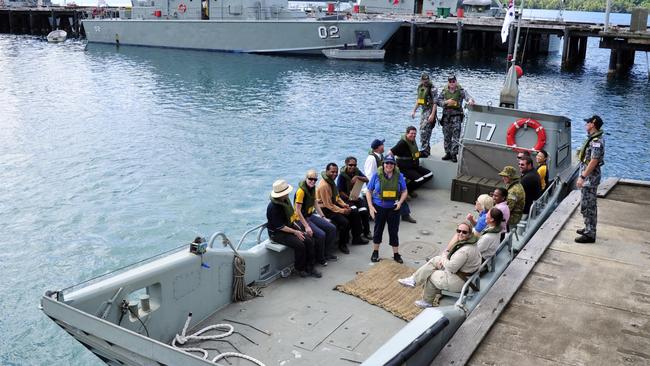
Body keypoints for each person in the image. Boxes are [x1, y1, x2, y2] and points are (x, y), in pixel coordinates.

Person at [398, 222, 481, 308]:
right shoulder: (472, 243)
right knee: (436, 259)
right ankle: (413, 279)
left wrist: (444, 257)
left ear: (469, 234)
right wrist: (444, 258)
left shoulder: (464, 250)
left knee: (430, 275)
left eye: (464, 232)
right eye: (458, 231)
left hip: (459, 281)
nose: (460, 233)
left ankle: (427, 302)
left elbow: (452, 268)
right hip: (465, 275)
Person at [266, 180, 321, 278]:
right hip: (277, 233)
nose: (288, 193)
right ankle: (300, 268)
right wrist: (296, 232)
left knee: (309, 240)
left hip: (288, 227)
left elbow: (290, 218)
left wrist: (299, 229)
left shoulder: (285, 201)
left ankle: (310, 267)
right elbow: (280, 227)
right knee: (300, 244)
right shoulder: (273, 207)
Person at [316, 163, 368, 255]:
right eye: (332, 172)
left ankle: (356, 238)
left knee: (353, 212)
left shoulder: (331, 182)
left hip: (332, 205)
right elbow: (329, 205)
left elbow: (337, 197)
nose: (335, 174)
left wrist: (344, 205)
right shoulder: (324, 185)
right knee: (345, 222)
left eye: (336, 172)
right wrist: (342, 211)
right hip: (325, 209)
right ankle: (342, 244)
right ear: (327, 171)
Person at [366, 155, 408, 263]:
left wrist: (400, 202)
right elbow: (369, 191)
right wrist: (370, 207)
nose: (389, 165)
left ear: (394, 165)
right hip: (379, 208)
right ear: (383, 164)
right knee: (378, 230)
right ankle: (375, 252)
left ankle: (396, 254)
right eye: (387, 163)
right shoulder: (376, 175)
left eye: (391, 163)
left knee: (394, 231)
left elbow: (404, 191)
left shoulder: (399, 176)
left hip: (394, 208)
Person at [364, 138, 416, 223]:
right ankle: (404, 215)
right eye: (382, 145)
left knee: (398, 193)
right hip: (379, 184)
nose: (383, 146)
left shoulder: (380, 156)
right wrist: (376, 186)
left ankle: (405, 214)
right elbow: (369, 174)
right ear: (378, 147)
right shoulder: (371, 158)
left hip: (387, 181)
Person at [294, 170, 339, 264]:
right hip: (302, 219)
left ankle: (327, 253)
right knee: (321, 235)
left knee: (332, 228)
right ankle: (320, 258)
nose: (313, 181)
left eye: (315, 179)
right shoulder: (301, 192)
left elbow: (315, 203)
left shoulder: (313, 188)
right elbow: (297, 211)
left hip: (310, 216)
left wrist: (323, 217)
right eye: (310, 179)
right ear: (306, 178)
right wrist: (306, 226)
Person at [575, 115, 605, 243]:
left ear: (593, 124)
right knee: (586, 204)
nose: (585, 124)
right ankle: (588, 227)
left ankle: (590, 234)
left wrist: (582, 177)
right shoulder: (593, 139)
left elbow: (594, 160)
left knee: (588, 205)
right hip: (589, 177)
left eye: (587, 122)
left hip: (590, 178)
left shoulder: (596, 141)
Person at [436, 74, 475, 163]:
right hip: (446, 118)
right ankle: (448, 153)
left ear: (456, 82)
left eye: (453, 81)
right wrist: (446, 102)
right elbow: (438, 101)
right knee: (446, 136)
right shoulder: (444, 91)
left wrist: (470, 100)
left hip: (456, 117)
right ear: (448, 83)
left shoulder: (461, 91)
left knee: (456, 136)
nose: (452, 83)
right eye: (450, 82)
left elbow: (468, 97)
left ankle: (454, 154)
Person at [388, 126, 433, 196]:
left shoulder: (412, 141)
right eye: (411, 133)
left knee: (429, 174)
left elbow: (413, 153)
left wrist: (422, 153)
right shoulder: (402, 143)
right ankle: (407, 191)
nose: (413, 135)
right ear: (406, 133)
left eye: (415, 133)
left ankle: (410, 189)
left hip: (414, 166)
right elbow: (389, 153)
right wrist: (393, 165)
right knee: (420, 179)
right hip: (404, 168)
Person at [336, 156, 371, 240]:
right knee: (354, 211)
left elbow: (367, 179)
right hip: (345, 199)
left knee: (364, 210)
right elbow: (340, 191)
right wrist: (350, 198)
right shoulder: (342, 176)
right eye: (350, 165)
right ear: (346, 164)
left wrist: (358, 177)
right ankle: (357, 235)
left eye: (354, 165)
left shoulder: (357, 172)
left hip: (355, 197)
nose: (353, 167)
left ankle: (367, 232)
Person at [411, 72, 438, 158]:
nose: (425, 82)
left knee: (425, 129)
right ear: (421, 80)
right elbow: (419, 100)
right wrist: (414, 111)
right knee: (422, 129)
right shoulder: (420, 87)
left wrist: (432, 115)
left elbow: (435, 102)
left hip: (430, 110)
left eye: (427, 80)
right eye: (424, 80)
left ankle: (425, 149)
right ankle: (425, 148)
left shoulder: (432, 88)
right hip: (423, 110)